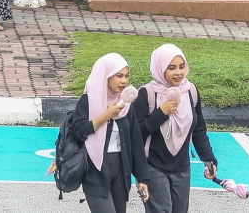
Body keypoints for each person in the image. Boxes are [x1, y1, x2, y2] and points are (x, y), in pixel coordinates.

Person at [135, 44, 217, 213]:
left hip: (181, 167)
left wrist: (209, 159)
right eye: (171, 68)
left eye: (182, 67)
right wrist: (161, 113)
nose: (178, 72)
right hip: (153, 167)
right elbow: (136, 133)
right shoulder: (146, 94)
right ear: (160, 68)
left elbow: (198, 129)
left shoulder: (190, 91)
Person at [69, 53, 151, 213]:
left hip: (121, 173)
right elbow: (77, 133)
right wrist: (104, 116)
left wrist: (142, 178)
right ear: (105, 76)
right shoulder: (88, 101)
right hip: (95, 173)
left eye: (127, 76)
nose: (124, 81)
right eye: (119, 76)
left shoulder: (125, 104)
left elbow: (135, 142)